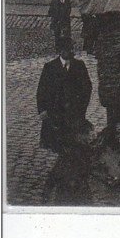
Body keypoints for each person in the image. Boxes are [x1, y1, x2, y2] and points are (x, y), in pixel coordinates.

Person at [36, 37, 93, 203]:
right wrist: (43, 110)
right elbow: (42, 91)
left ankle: (63, 181)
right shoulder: (50, 67)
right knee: (64, 148)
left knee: (70, 148)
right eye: (64, 49)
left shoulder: (79, 66)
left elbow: (87, 88)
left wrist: (81, 109)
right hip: (56, 119)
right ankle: (60, 181)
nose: (67, 52)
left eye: (70, 48)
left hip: (74, 117)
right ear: (59, 50)